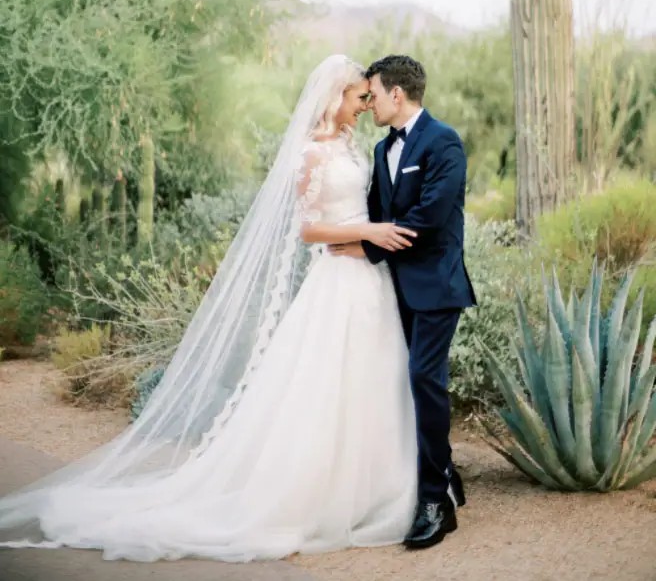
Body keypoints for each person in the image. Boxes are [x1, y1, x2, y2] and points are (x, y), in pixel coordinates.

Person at [0, 55, 425, 563]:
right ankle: (318, 494)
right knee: (325, 384)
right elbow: (308, 229)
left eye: (367, 98)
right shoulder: (310, 153)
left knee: (373, 380)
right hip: (336, 278)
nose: (363, 106)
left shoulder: (355, 148)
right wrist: (367, 232)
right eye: (358, 97)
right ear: (335, 96)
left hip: (369, 277)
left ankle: (377, 488)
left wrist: (374, 237)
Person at [331, 55, 477, 549]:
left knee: (423, 378)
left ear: (398, 94)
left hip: (437, 286)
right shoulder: (379, 149)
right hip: (393, 287)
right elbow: (377, 212)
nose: (369, 103)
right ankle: (447, 471)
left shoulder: (444, 141)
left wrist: (365, 246)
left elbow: (429, 216)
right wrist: (353, 237)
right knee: (400, 379)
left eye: (373, 94)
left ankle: (435, 501)